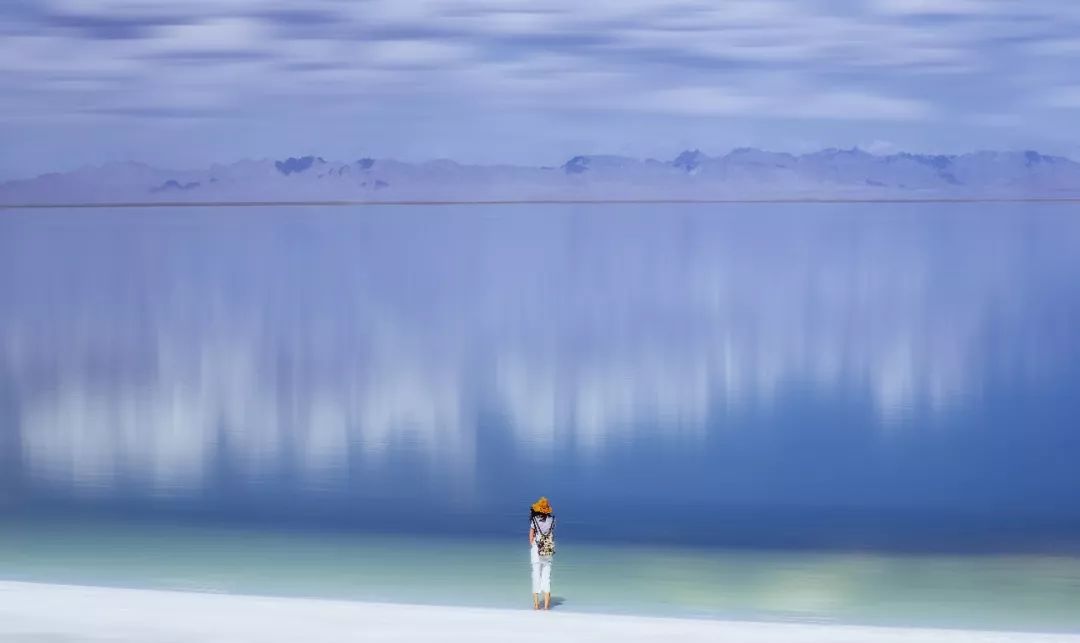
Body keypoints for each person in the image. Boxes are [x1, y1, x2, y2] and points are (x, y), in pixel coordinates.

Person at [528, 496, 556, 610]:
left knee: (536, 576)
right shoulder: (553, 520)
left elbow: (531, 537)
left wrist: (534, 545)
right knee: (546, 577)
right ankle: (546, 607)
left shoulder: (534, 521)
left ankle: (536, 606)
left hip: (536, 550)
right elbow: (550, 533)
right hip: (548, 550)